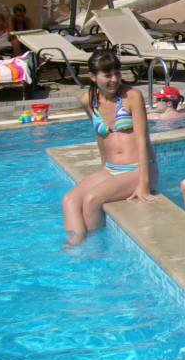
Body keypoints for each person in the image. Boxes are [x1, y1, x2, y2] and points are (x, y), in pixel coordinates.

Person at [61, 49, 158, 244]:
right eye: (107, 75)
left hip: (138, 168)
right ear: (92, 77)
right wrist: (103, 170)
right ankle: (75, 247)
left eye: (117, 73)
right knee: (69, 200)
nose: (114, 79)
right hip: (111, 168)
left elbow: (143, 140)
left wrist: (144, 183)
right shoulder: (88, 100)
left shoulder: (132, 96)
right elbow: (101, 136)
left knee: (92, 200)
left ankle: (96, 248)